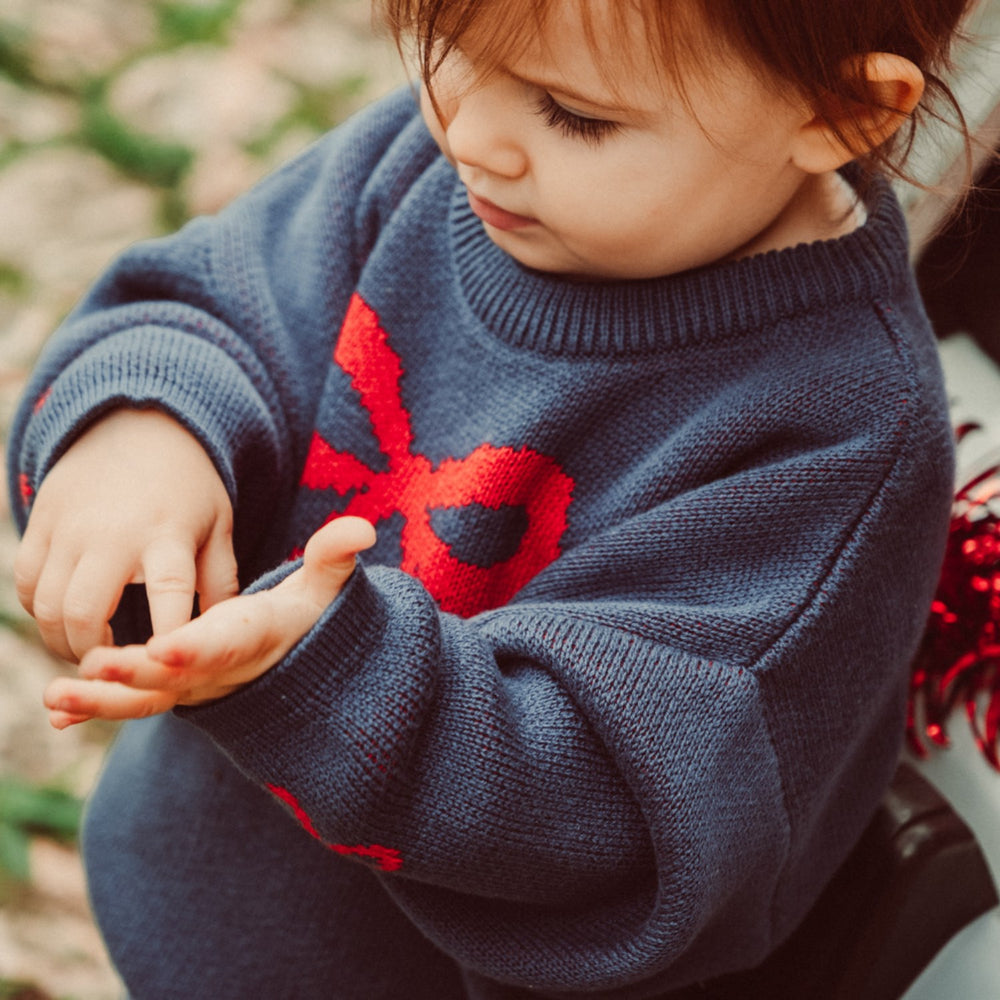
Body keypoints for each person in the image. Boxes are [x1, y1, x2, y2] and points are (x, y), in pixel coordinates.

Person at [6, 0, 973, 996]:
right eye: (452, 51)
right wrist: (142, 427)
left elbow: (622, 807)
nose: (469, 135)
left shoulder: (831, 434)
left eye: (572, 113)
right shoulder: (434, 168)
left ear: (839, 111)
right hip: (187, 879)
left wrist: (334, 679)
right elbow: (217, 306)